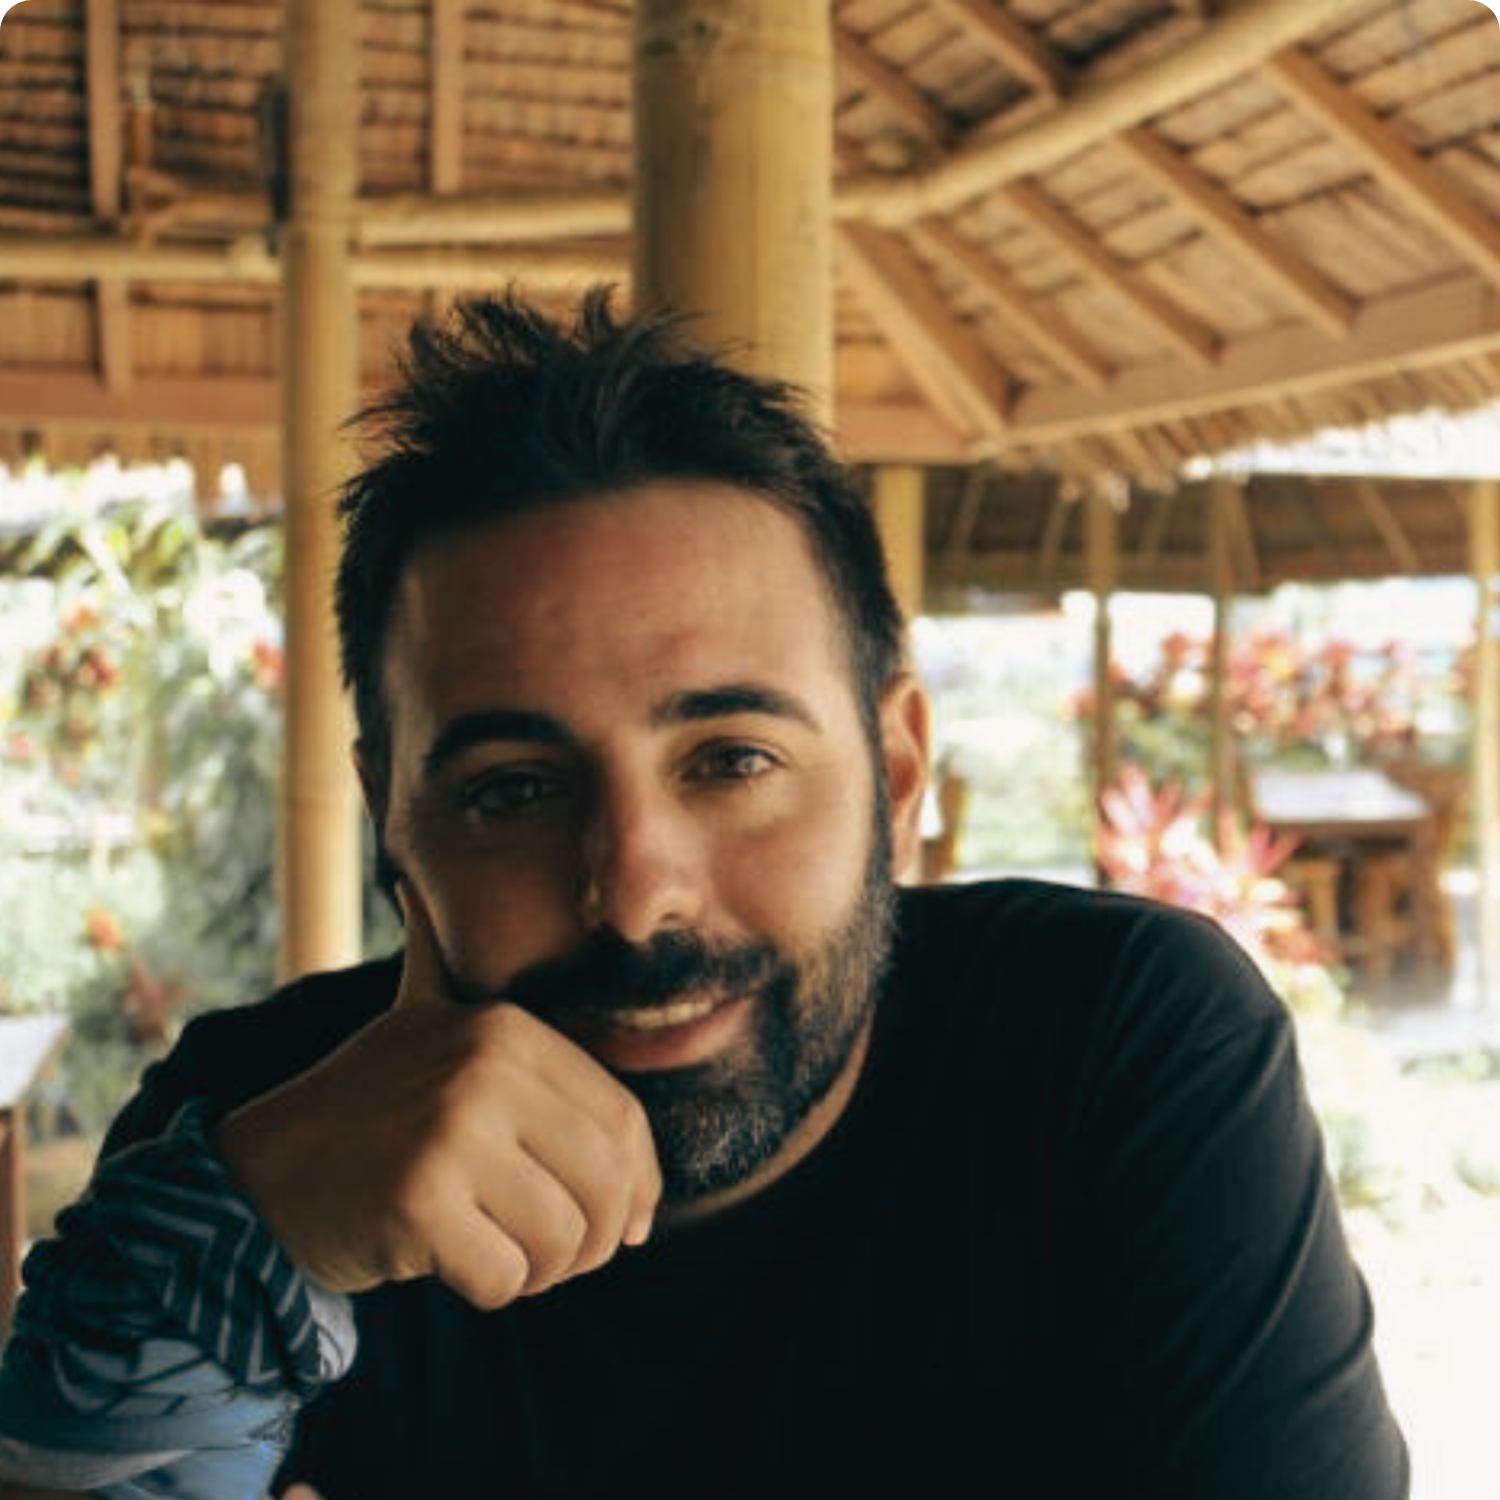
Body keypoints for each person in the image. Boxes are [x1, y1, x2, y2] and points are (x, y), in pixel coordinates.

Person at [0, 289, 1408, 1500]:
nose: (634, 895)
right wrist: (249, 1232)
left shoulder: (1109, 1046)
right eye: (513, 788)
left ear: (896, 768)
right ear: (393, 817)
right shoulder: (262, 1140)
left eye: (732, 760)